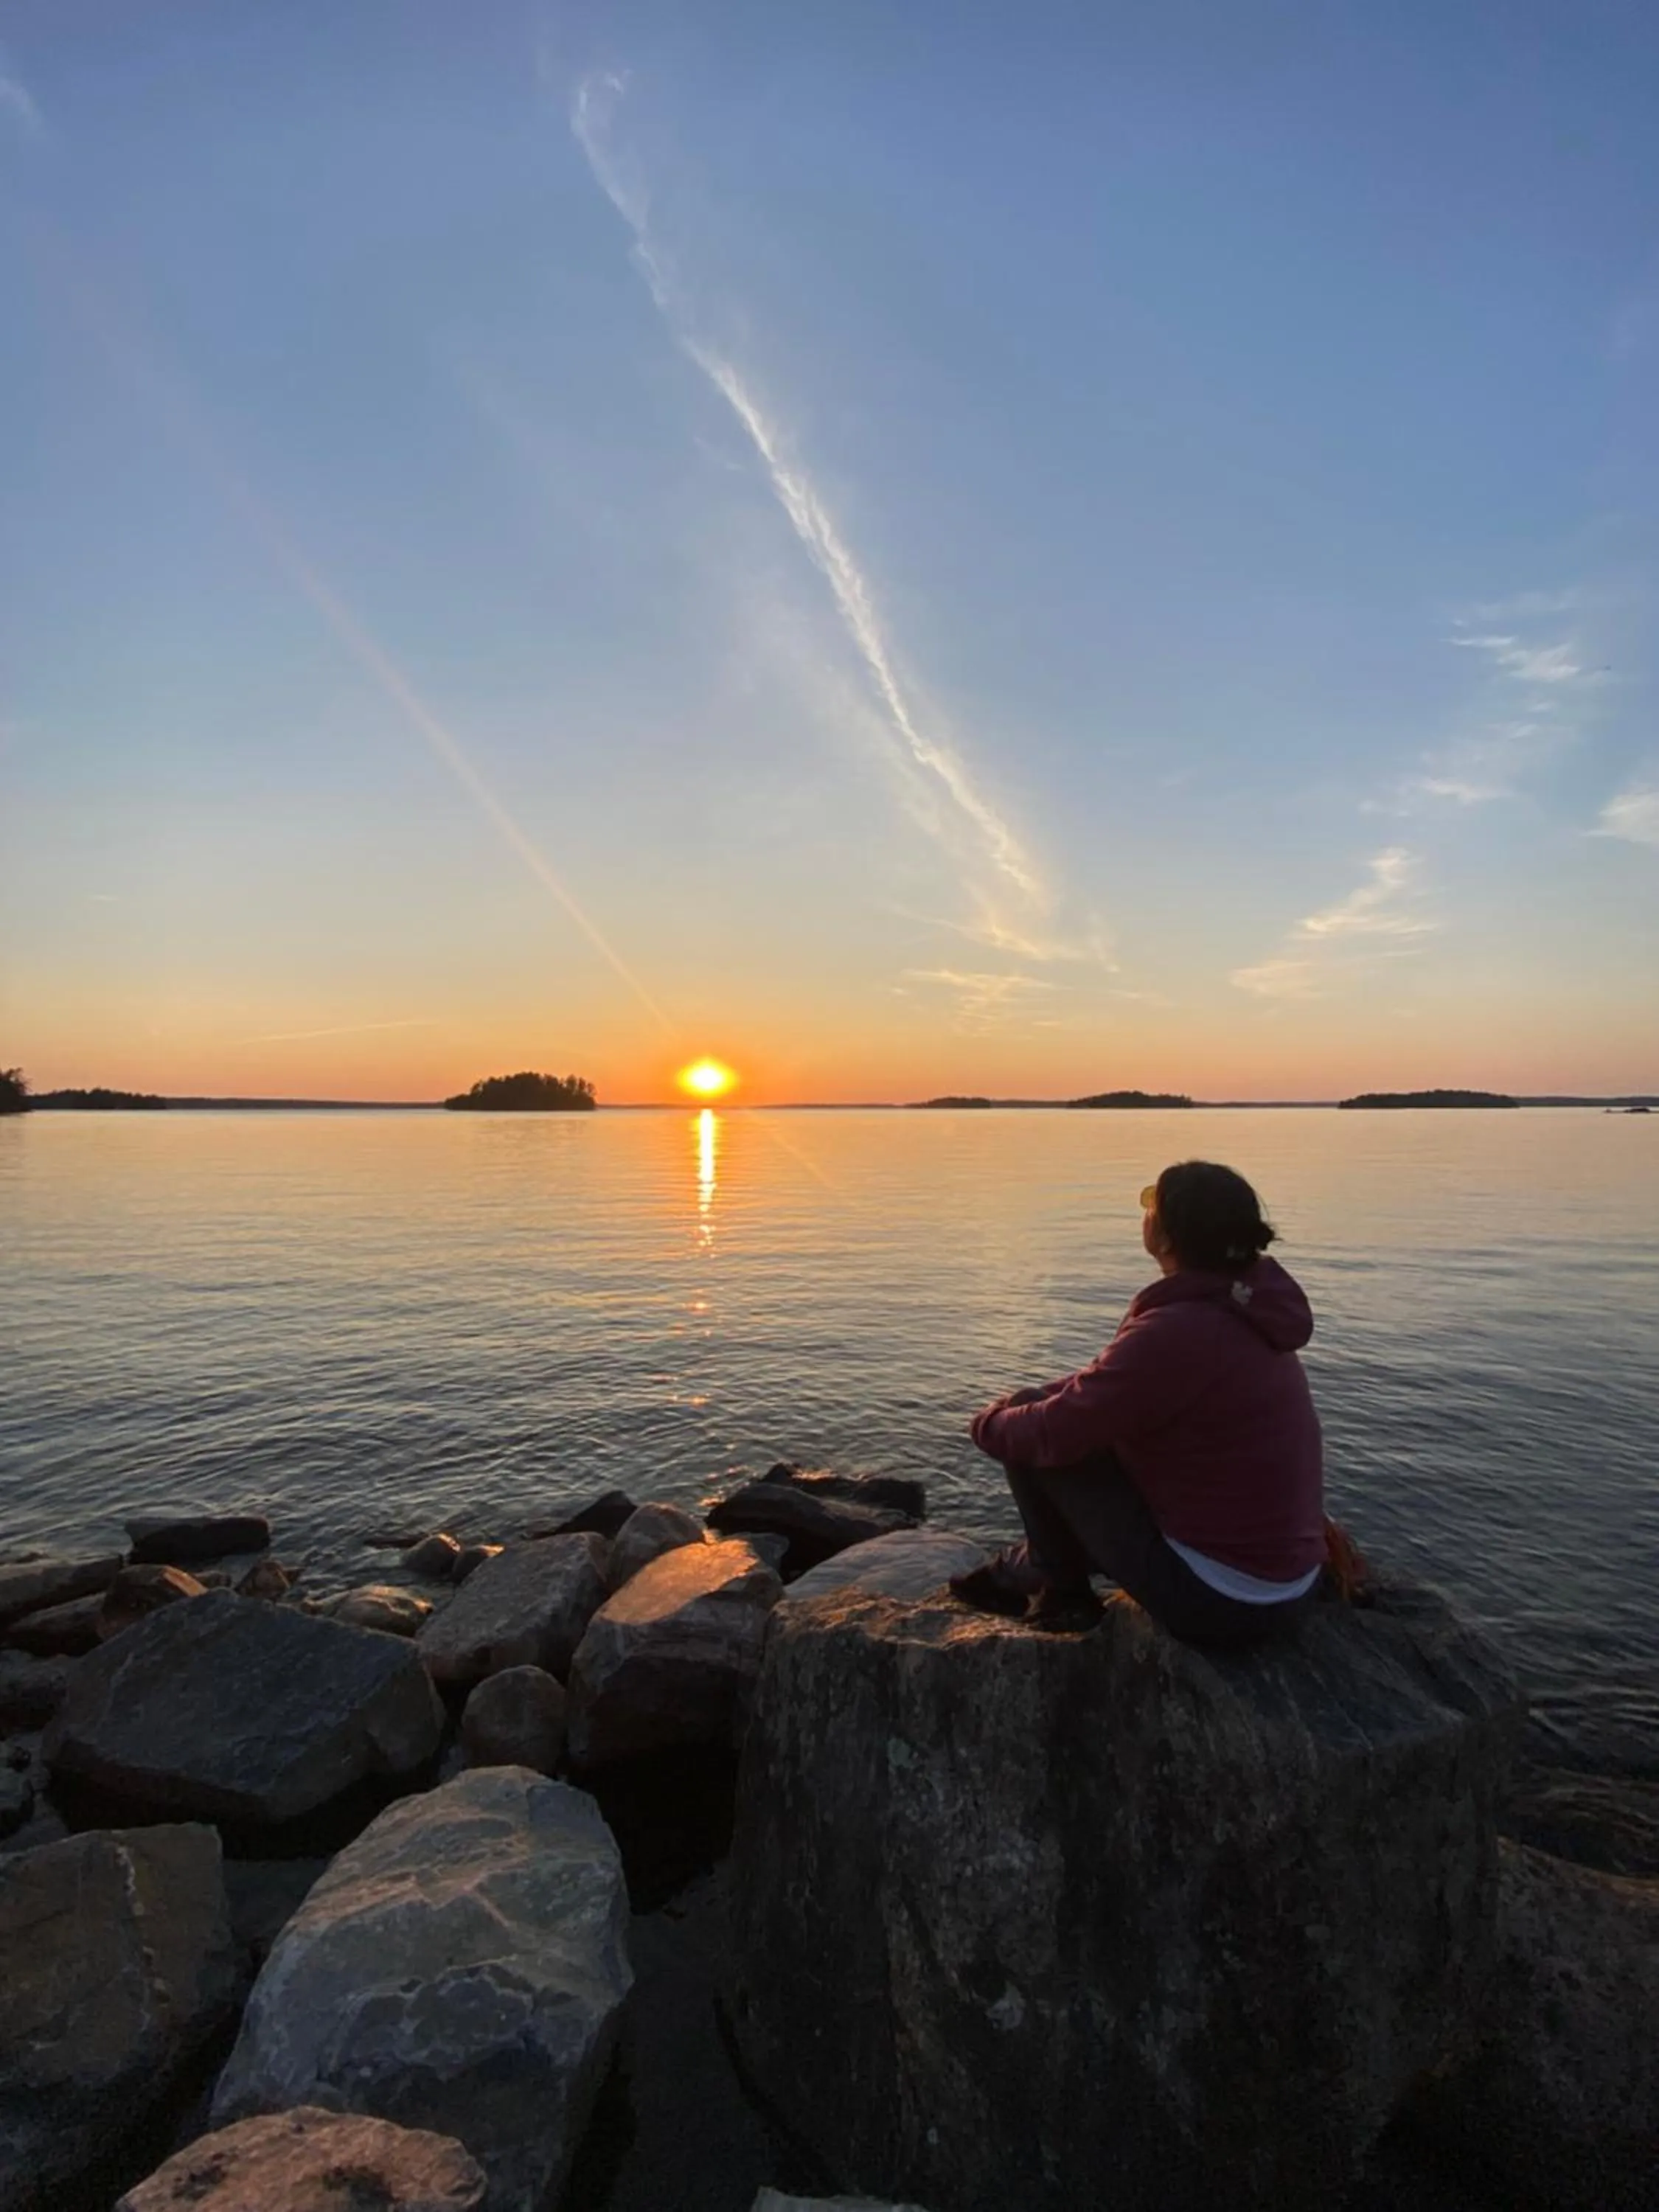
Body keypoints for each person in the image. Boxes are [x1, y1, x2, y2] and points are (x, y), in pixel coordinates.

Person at [950, 1160, 1326, 1643]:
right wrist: (1047, 1397)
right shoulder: (1243, 1307)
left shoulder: (1179, 1330)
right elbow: (1115, 1385)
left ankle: (1062, 1593)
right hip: (1293, 1585)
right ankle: (1036, 1565)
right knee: (1047, 1413)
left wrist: (987, 1425)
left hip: (1227, 1606)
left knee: (1038, 1438)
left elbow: (1053, 1432)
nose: (1145, 1211)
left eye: (1152, 1201)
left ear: (1166, 1237)